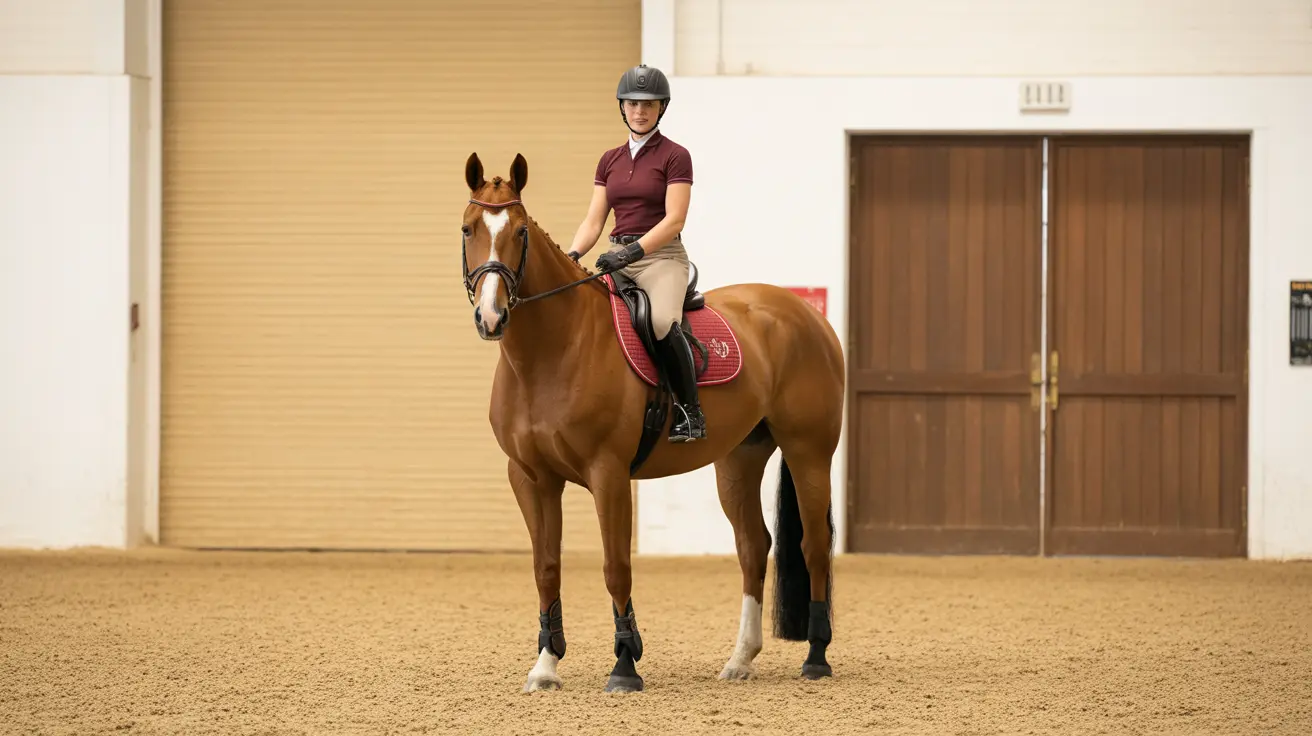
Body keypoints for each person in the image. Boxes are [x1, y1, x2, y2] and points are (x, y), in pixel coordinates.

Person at [566, 64, 706, 443]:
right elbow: (594, 221)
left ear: (662, 108)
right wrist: (573, 255)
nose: (639, 111)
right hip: (617, 255)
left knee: (660, 321)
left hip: (660, 258)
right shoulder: (609, 160)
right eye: (632, 103)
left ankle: (689, 411)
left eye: (649, 104)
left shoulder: (676, 156)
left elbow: (675, 219)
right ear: (622, 107)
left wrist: (630, 253)